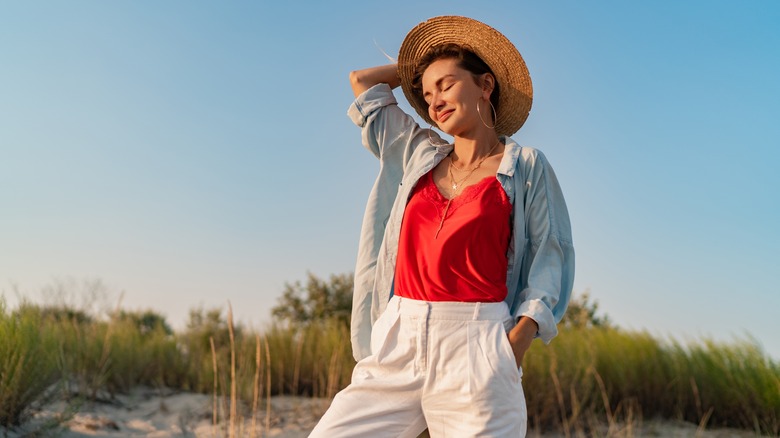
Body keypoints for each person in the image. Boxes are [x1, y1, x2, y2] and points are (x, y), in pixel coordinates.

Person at [310, 15, 574, 437]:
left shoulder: (524, 168)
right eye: (426, 93)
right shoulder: (418, 152)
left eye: (446, 85)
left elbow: (551, 255)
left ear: (486, 85)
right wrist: (421, 64)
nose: (433, 101)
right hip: (399, 338)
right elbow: (363, 83)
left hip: (478, 346)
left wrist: (516, 343)